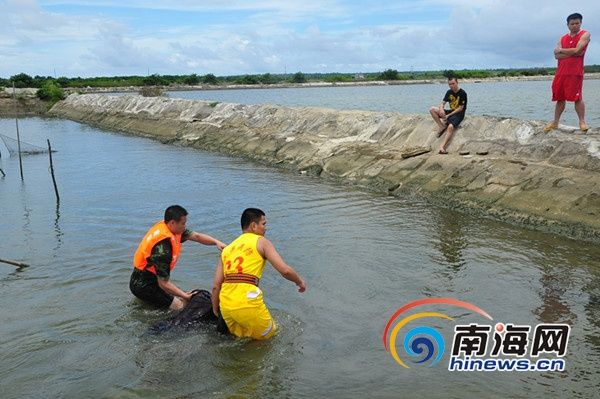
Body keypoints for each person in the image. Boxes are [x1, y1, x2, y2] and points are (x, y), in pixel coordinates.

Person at [211, 208, 306, 340]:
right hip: (247, 303)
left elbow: (216, 285)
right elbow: (285, 270)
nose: (265, 228)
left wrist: (216, 309)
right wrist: (299, 281)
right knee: (269, 339)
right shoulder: (262, 242)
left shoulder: (227, 249)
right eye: (264, 224)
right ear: (253, 226)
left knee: (241, 340)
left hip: (226, 306)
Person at [130, 205, 226, 311]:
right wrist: (185, 296)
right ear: (172, 223)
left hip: (144, 278)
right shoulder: (163, 249)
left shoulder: (171, 228)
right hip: (144, 285)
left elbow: (197, 236)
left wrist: (216, 242)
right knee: (180, 307)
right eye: (183, 223)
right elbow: (164, 283)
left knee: (176, 297)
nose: (185, 226)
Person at [545, 13, 591, 133]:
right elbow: (556, 56)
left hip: (575, 72)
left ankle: (582, 122)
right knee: (560, 98)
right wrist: (571, 52)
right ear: (568, 25)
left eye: (577, 23)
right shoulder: (562, 38)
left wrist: (562, 51)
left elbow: (578, 50)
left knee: (577, 97)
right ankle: (555, 122)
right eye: (572, 23)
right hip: (561, 72)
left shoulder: (585, 34)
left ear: (581, 23)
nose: (575, 25)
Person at [429, 77, 468, 154]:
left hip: (459, 114)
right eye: (450, 84)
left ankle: (442, 147)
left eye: (453, 83)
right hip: (450, 112)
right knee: (432, 109)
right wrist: (441, 109)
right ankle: (441, 126)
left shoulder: (462, 93)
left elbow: (460, 108)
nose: (451, 86)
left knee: (450, 127)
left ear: (457, 83)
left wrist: (448, 115)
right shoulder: (449, 92)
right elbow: (442, 103)